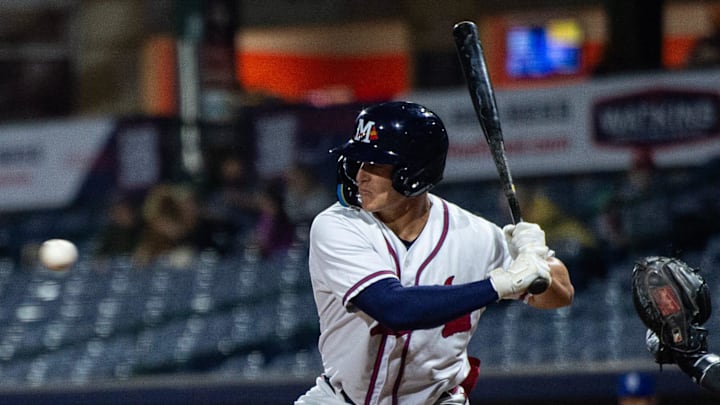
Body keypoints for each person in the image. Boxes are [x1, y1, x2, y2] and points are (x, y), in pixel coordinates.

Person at [295, 101, 574, 404]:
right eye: (359, 162)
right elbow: (394, 308)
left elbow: (561, 294)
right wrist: (499, 285)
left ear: (414, 169)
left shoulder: (475, 235)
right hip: (341, 399)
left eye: (375, 164)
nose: (361, 174)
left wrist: (536, 261)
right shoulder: (336, 225)